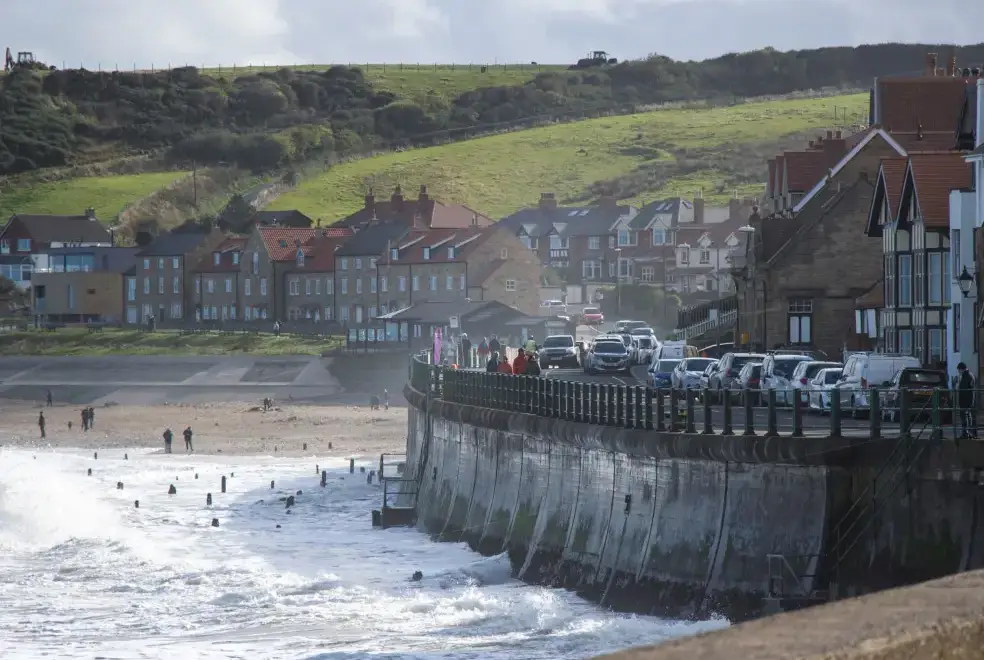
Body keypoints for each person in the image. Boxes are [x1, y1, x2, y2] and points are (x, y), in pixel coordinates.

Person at [957, 362, 978, 439]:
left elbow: (964, 389)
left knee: (965, 416)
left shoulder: (966, 376)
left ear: (961, 369)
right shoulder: (970, 375)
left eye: (959, 370)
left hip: (965, 400)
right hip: (969, 400)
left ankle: (966, 433)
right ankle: (968, 432)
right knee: (968, 416)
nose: (959, 372)